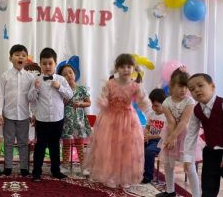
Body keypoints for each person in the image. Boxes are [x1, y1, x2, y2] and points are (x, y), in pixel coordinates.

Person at [84, 53, 151, 188]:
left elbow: (142, 102)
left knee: (127, 149)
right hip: (110, 119)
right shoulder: (110, 84)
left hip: (128, 120)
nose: (126, 69)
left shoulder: (135, 86)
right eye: (122, 67)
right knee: (110, 148)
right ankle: (111, 176)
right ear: (117, 69)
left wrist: (144, 101)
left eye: (129, 67)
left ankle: (125, 177)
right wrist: (103, 101)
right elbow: (104, 96)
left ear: (133, 68)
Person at [156, 68, 202, 197]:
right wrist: (171, 138)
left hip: (187, 136)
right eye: (180, 86)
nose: (183, 90)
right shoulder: (166, 102)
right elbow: (171, 121)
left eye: (185, 87)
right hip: (171, 133)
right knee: (168, 164)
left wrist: (174, 137)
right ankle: (170, 190)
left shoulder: (189, 101)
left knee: (189, 166)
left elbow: (183, 122)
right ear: (172, 86)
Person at [28, 48, 73, 182]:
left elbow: (70, 95)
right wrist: (35, 88)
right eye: (44, 63)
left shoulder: (61, 79)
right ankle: (37, 172)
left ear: (55, 63)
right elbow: (30, 98)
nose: (47, 66)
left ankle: (55, 171)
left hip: (57, 118)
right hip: (42, 119)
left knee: (55, 146)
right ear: (40, 64)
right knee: (40, 146)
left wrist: (59, 87)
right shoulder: (36, 80)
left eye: (50, 63)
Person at [0, 45, 35, 176]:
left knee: (23, 142)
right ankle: (8, 167)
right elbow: (0, 95)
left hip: (24, 115)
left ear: (26, 59)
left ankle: (24, 167)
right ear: (10, 58)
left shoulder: (30, 77)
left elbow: (32, 98)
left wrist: (33, 113)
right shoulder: (5, 76)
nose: (20, 57)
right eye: (17, 55)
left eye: (23, 55)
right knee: (8, 142)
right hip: (8, 115)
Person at [57, 63, 91, 174]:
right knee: (66, 145)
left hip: (79, 121)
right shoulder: (62, 91)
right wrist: (65, 100)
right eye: (65, 74)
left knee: (79, 145)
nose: (69, 75)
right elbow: (60, 104)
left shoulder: (81, 89)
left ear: (75, 74)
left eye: (70, 72)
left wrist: (81, 104)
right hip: (66, 122)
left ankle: (83, 167)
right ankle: (65, 166)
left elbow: (89, 103)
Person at [141, 88, 167, 184]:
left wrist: (151, 137)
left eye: (156, 106)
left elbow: (165, 134)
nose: (154, 108)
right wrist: (146, 134)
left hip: (160, 141)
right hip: (150, 139)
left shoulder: (166, 116)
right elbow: (147, 127)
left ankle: (148, 176)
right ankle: (137, 171)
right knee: (136, 147)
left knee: (149, 151)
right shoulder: (151, 114)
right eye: (152, 105)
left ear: (164, 104)